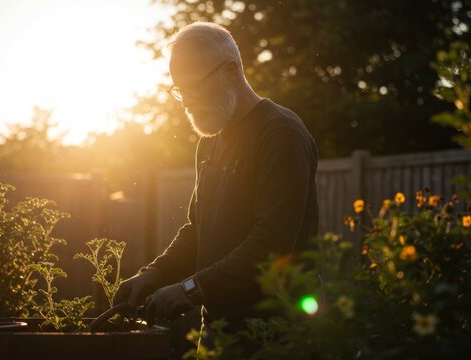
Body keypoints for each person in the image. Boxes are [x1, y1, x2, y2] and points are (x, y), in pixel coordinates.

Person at [114, 21, 319, 350]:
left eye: (192, 88)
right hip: (219, 334)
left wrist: (189, 290)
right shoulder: (211, 141)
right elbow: (198, 229)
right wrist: (153, 274)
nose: (184, 102)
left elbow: (271, 245)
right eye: (178, 90)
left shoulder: (280, 134)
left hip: (276, 335)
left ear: (229, 72)